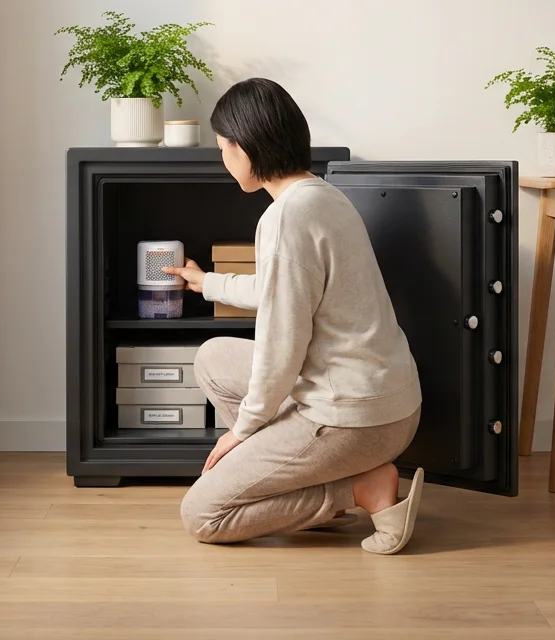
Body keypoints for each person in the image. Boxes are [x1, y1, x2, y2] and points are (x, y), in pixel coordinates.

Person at [163, 77, 425, 555]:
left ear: (245, 148)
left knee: (202, 515)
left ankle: (359, 489)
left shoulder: (284, 218)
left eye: (223, 147)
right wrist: (209, 283)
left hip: (353, 417)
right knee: (213, 357)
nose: (223, 159)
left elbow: (282, 344)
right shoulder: (321, 196)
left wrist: (243, 430)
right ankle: (302, 476)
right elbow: (286, 290)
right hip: (385, 399)